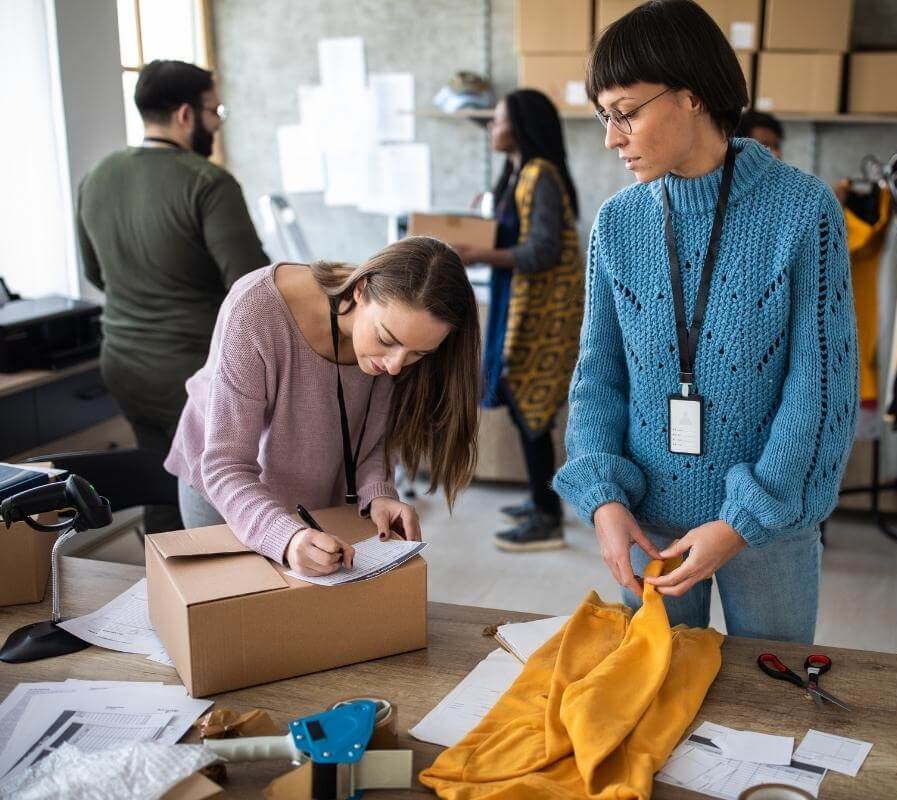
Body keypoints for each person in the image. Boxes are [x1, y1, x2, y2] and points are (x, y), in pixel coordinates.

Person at [553, 0, 858, 642]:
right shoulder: (618, 223)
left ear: (691, 96)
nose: (612, 137)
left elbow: (820, 392)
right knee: (656, 707)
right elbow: (598, 378)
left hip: (766, 530)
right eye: (605, 117)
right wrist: (603, 498)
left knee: (767, 706)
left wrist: (744, 520)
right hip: (646, 524)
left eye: (626, 112)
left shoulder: (803, 213)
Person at [164, 239, 481, 576]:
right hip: (228, 496)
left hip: (313, 502)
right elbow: (226, 464)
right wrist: (285, 537)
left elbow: (371, 438)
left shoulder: (398, 334)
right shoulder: (256, 311)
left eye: (419, 354)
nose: (394, 366)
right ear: (360, 290)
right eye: (386, 340)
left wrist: (378, 494)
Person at [77, 59, 269, 533]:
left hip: (122, 364)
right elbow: (255, 286)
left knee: (159, 482)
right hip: (191, 369)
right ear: (186, 114)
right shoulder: (207, 182)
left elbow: (95, 274)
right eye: (214, 109)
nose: (218, 121)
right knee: (216, 496)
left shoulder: (97, 176)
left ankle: (162, 594)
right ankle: (214, 599)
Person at [452, 90, 584, 552]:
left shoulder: (539, 175)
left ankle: (547, 517)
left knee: (533, 408)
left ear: (521, 126)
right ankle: (539, 500)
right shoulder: (520, 175)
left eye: (499, 119)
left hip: (540, 314)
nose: (492, 126)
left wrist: (479, 254)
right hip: (518, 303)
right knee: (524, 402)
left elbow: (542, 251)